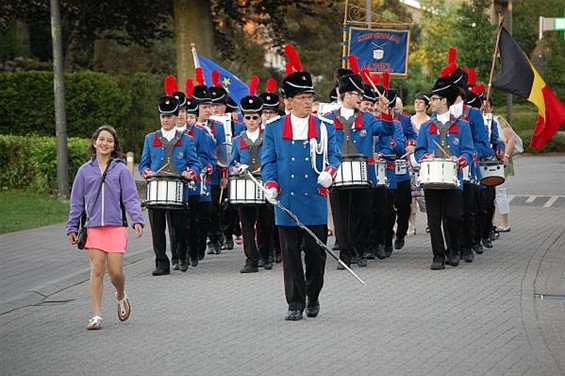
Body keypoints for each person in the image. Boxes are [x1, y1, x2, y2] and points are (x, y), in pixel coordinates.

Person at [261, 44, 340, 321]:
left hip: (314, 198)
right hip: (286, 198)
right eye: (303, 97)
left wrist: (331, 173)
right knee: (291, 255)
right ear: (289, 101)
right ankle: (295, 302)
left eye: (310, 97)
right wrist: (270, 185)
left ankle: (313, 294)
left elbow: (335, 157)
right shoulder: (272, 129)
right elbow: (268, 161)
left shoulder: (325, 127)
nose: (308, 102)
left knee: (316, 255)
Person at [67, 125, 144, 330]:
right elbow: (77, 202)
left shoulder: (120, 170)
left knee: (116, 272)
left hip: (116, 226)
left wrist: (137, 219)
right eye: (101, 139)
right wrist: (72, 226)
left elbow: (130, 197)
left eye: (109, 141)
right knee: (97, 269)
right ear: (94, 143)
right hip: (93, 227)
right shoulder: (84, 170)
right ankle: (96, 315)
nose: (104, 143)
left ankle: (120, 294)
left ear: (114, 146)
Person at [414, 74, 474, 270]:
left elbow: (468, 151)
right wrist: (426, 157)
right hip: (432, 179)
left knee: (454, 217)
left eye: (433, 99)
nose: (430, 102)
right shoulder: (426, 127)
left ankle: (454, 250)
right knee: (434, 219)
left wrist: (460, 160)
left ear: (444, 101)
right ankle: (438, 256)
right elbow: (419, 150)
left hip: (453, 179)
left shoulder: (461, 126)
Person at [139, 94, 200, 276]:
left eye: (168, 116)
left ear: (175, 117)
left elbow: (195, 163)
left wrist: (190, 173)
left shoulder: (186, 140)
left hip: (178, 191)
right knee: (157, 229)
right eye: (162, 117)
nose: (165, 120)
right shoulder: (150, 139)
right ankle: (161, 263)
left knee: (179, 228)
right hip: (156, 190)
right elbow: (143, 164)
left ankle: (181, 255)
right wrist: (147, 172)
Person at [231, 77, 275, 273]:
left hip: (264, 183)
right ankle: (251, 259)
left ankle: (266, 255)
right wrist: (234, 168)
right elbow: (232, 162)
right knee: (247, 224)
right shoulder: (237, 140)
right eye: (247, 118)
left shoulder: (269, 136)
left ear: (260, 118)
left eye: (254, 117)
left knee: (266, 222)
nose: (251, 121)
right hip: (245, 185)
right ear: (242, 118)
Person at [408, 93, 430, 236]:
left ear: (426, 105)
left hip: (425, 161)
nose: (417, 104)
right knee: (410, 197)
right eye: (416, 102)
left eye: (421, 102)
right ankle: (412, 224)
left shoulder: (430, 122)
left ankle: (430, 222)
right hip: (409, 160)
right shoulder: (409, 121)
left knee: (426, 195)